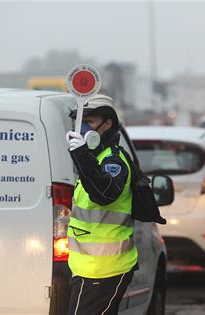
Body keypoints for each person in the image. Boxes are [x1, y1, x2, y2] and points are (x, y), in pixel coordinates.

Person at [65, 94, 137, 315]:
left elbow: (103, 194)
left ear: (108, 125)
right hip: (89, 269)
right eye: (81, 121)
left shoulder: (112, 161)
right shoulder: (96, 158)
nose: (84, 127)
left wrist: (81, 155)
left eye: (91, 121)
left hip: (104, 270)